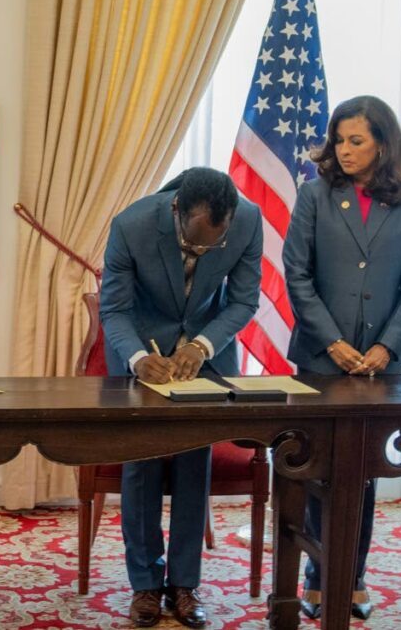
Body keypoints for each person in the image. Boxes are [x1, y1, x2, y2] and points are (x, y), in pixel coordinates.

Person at [283, 95, 401, 621]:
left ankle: (351, 574)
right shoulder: (314, 194)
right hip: (322, 359)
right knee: (319, 469)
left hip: (379, 364)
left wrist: (385, 347)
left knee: (362, 474)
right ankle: (316, 575)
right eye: (339, 140)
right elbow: (296, 275)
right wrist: (332, 342)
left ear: (383, 144)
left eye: (356, 141)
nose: (343, 151)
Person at [99, 167, 262, 628]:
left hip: (205, 352)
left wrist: (202, 346)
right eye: (193, 244)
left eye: (212, 245)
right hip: (141, 349)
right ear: (177, 211)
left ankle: (185, 585)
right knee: (142, 465)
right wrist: (135, 358)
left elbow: (244, 301)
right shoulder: (130, 225)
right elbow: (113, 307)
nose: (200, 252)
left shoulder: (248, 221)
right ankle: (145, 586)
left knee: (196, 464)